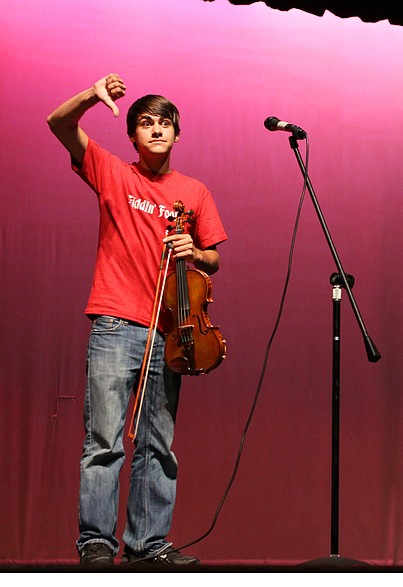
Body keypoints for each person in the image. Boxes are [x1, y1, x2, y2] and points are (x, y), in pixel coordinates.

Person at [47, 74, 227, 566]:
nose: (155, 130)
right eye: (145, 123)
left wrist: (196, 251)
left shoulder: (194, 191)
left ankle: (148, 544)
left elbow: (212, 258)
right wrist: (88, 95)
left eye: (164, 123)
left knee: (158, 444)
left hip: (171, 331)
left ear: (177, 133)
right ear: (132, 136)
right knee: (104, 441)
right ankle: (97, 543)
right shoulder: (112, 171)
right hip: (114, 324)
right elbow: (56, 123)